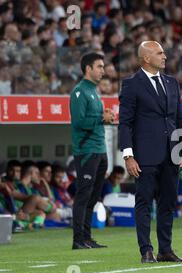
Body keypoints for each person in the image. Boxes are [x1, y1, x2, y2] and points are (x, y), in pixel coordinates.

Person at [119, 41, 182, 264]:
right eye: (159, 53)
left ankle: (165, 250)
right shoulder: (131, 84)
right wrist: (128, 156)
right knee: (144, 203)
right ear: (146, 58)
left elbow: (180, 118)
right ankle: (146, 250)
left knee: (168, 203)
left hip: (171, 153)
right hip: (145, 155)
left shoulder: (172, 82)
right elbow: (125, 123)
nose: (165, 56)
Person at [69, 52, 114, 250]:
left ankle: (87, 237)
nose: (103, 71)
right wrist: (101, 118)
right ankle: (78, 239)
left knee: (94, 196)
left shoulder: (95, 92)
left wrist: (105, 116)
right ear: (88, 69)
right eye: (99, 66)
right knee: (83, 195)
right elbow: (78, 122)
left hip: (99, 149)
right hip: (86, 151)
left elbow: (95, 118)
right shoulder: (79, 92)